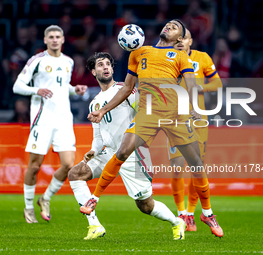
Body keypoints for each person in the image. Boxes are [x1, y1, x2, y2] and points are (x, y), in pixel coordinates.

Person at [81, 19, 223, 238]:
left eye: (175, 27)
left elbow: (192, 85)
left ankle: (207, 213)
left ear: (180, 38)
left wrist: (194, 106)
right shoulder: (139, 52)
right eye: (168, 24)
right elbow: (127, 88)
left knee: (196, 163)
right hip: (147, 114)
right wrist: (103, 110)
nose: (169, 26)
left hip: (175, 115)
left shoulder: (181, 56)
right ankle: (94, 198)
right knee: (122, 151)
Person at [65, 52, 185, 240]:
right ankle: (94, 225)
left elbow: (146, 112)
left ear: (112, 69)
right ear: (93, 72)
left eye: (108, 64)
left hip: (133, 154)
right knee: (75, 174)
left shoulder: (126, 91)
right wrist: (93, 150)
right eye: (100, 65)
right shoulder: (94, 103)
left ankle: (177, 222)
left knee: (145, 205)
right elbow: (98, 135)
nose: (105, 67)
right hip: (108, 154)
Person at [13, 25, 87, 223]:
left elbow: (62, 87)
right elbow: (17, 85)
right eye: (51, 37)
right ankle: (28, 208)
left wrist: (75, 90)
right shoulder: (37, 60)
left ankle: (45, 198)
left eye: (58, 37)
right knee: (35, 166)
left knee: (69, 165)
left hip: (64, 119)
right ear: (45, 40)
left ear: (63, 40)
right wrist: (36, 90)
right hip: (42, 119)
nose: (54, 40)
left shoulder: (68, 62)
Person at [167, 29, 222, 234]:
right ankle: (181, 212)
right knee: (177, 167)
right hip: (175, 119)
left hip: (199, 119)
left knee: (197, 168)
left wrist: (200, 89)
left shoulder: (202, 58)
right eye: (177, 38)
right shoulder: (167, 59)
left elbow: (217, 83)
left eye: (184, 38)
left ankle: (192, 213)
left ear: (190, 41)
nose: (180, 41)